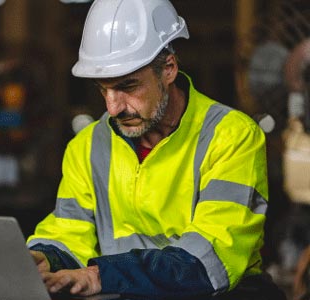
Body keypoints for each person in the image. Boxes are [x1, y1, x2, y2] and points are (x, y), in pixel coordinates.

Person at [28, 0, 287, 299]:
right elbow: (69, 233)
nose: (113, 107)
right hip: (123, 292)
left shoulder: (231, 136)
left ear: (168, 69)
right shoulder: (87, 146)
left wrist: (102, 275)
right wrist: (44, 258)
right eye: (104, 89)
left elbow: (212, 257)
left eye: (127, 86)